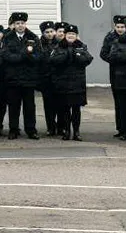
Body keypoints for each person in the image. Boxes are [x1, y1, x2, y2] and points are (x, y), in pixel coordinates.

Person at [48, 24, 93, 141]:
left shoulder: (81, 46)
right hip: (63, 84)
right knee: (65, 110)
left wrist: (76, 55)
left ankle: (77, 132)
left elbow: (88, 59)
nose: (71, 36)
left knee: (76, 110)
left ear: (76, 35)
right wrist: (66, 54)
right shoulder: (59, 46)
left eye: (73, 34)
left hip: (77, 84)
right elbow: (52, 60)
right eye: (69, 34)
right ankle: (67, 131)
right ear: (65, 35)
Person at [1, 12, 41, 140]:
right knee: (14, 106)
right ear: (14, 24)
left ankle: (31, 130)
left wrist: (30, 57)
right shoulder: (7, 38)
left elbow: (39, 56)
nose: (20, 25)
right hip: (13, 78)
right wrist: (23, 56)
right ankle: (14, 130)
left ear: (25, 24)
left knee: (29, 106)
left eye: (22, 23)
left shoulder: (33, 37)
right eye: (17, 23)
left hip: (28, 78)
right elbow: (6, 55)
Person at [100, 15, 126, 139]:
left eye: (122, 27)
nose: (120, 29)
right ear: (114, 26)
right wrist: (113, 60)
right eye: (118, 27)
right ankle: (121, 128)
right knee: (119, 102)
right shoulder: (110, 37)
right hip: (116, 72)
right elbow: (103, 53)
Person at [38, 21, 59, 136]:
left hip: (57, 78)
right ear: (43, 33)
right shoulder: (39, 44)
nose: (50, 34)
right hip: (46, 79)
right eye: (47, 32)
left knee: (58, 104)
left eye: (51, 31)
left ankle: (60, 127)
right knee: (48, 105)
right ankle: (50, 127)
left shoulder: (59, 43)